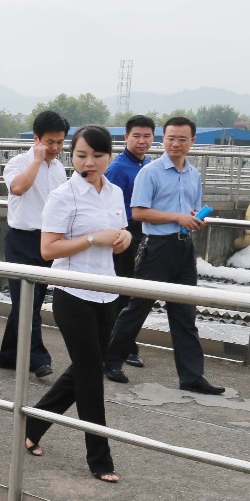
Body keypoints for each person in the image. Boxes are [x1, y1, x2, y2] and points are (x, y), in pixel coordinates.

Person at [22, 125, 131, 483]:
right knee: (90, 376)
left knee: (86, 367)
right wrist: (91, 238)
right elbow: (48, 249)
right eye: (81, 155)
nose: (89, 163)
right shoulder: (63, 195)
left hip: (107, 292)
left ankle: (32, 424)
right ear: (73, 156)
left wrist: (125, 238)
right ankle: (100, 457)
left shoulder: (114, 192)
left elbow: (120, 231)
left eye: (97, 156)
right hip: (72, 292)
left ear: (109, 157)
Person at [104, 117, 224, 394]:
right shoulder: (151, 172)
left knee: (185, 313)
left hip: (185, 247)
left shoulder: (193, 174)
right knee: (138, 307)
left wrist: (195, 218)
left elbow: (192, 210)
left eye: (182, 139)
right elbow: (138, 212)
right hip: (157, 247)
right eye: (170, 138)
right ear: (163, 139)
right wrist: (177, 217)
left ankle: (192, 376)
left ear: (193, 141)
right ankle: (111, 360)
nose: (175, 144)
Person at [0, 110, 69, 378]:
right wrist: (37, 161)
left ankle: (9, 355)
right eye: (50, 142)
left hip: (49, 241)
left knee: (31, 301)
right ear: (37, 139)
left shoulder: (59, 168)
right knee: (27, 301)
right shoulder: (18, 163)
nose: (56, 148)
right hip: (22, 240)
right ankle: (38, 358)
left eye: (60, 142)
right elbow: (18, 188)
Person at [106, 115, 156, 369]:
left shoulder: (147, 164)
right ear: (126, 137)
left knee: (135, 291)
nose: (142, 141)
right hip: (124, 232)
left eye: (147, 136)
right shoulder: (118, 168)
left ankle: (123, 344)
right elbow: (108, 204)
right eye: (136, 136)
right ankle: (122, 347)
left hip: (143, 231)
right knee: (123, 291)